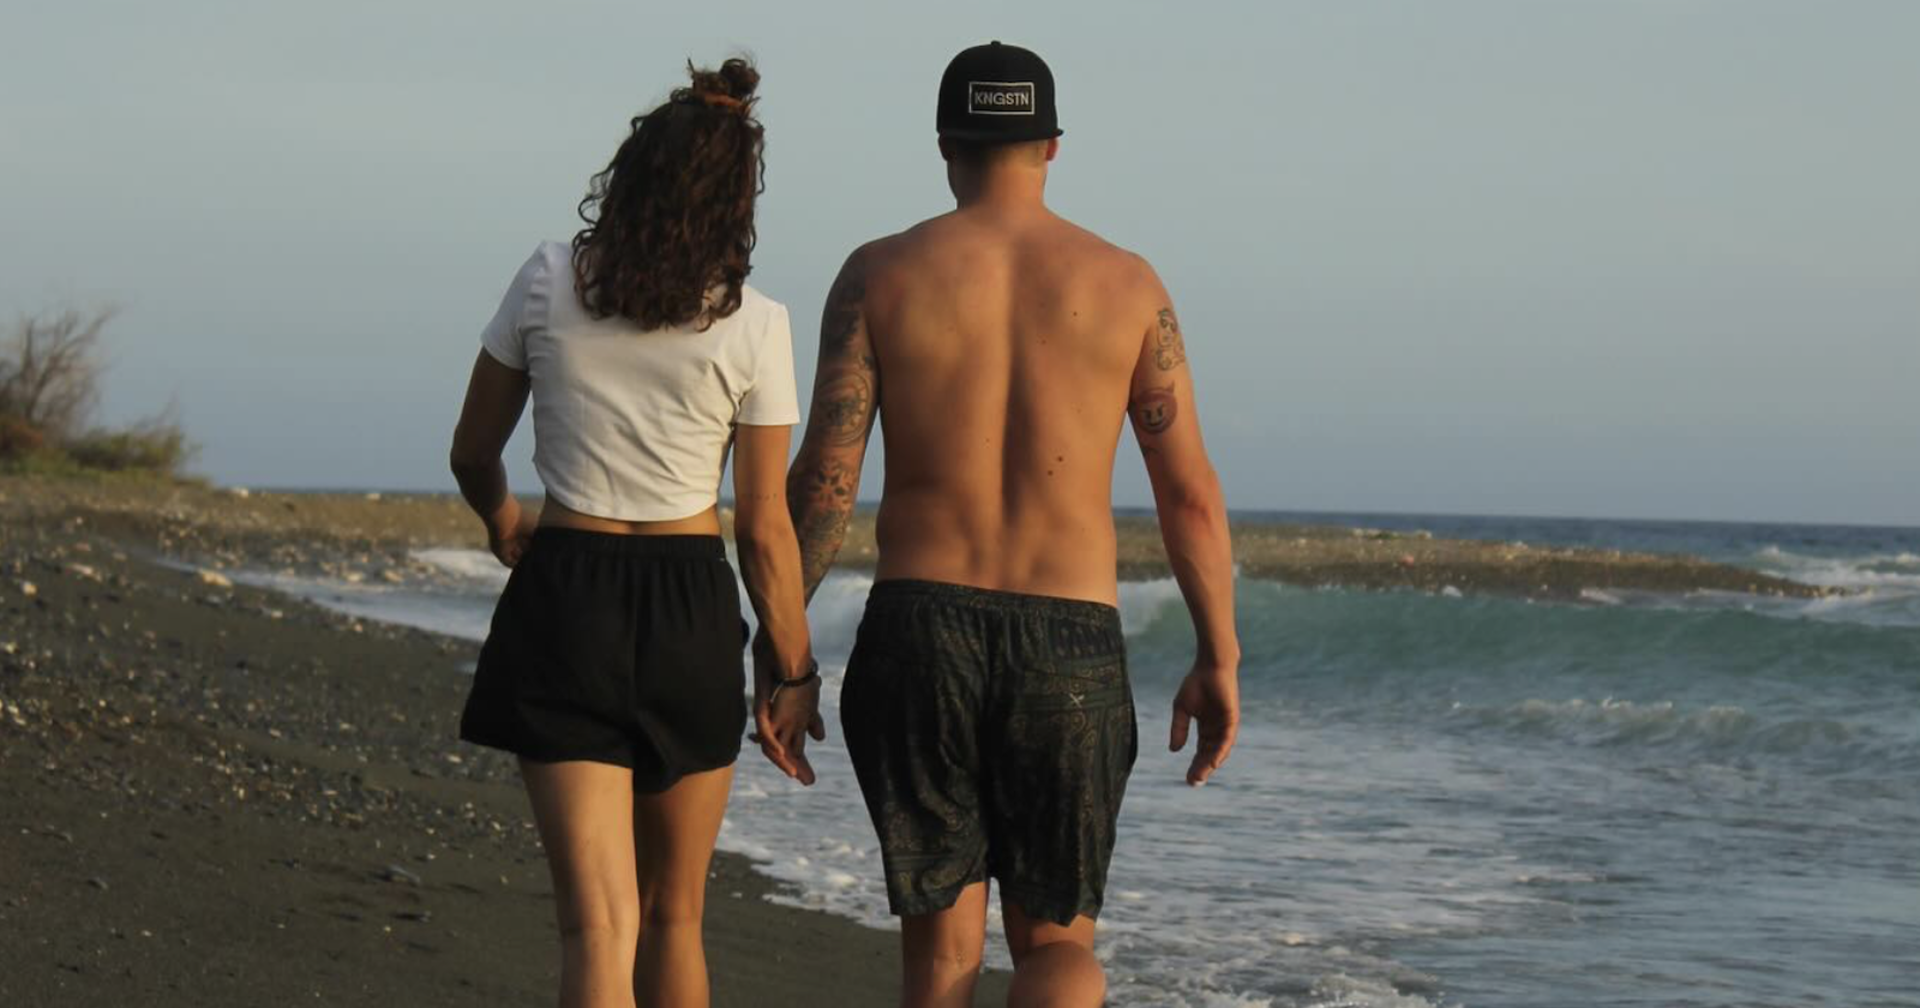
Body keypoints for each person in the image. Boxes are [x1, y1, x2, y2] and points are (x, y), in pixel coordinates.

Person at [786, 41, 1241, 1008]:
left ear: (947, 148)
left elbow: (827, 481)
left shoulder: (878, 275)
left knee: (940, 965)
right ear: (1052, 148)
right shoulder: (1129, 285)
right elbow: (1189, 494)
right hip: (1069, 642)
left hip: (918, 632)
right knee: (1056, 949)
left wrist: (781, 647)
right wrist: (1219, 655)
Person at [448, 57, 823, 1008]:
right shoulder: (758, 324)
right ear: (738, 198)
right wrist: (793, 668)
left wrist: (504, 522)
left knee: (595, 926)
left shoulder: (545, 280)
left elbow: (470, 450)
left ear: (631, 173)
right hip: (690, 605)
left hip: (567, 591)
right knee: (674, 918)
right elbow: (765, 527)